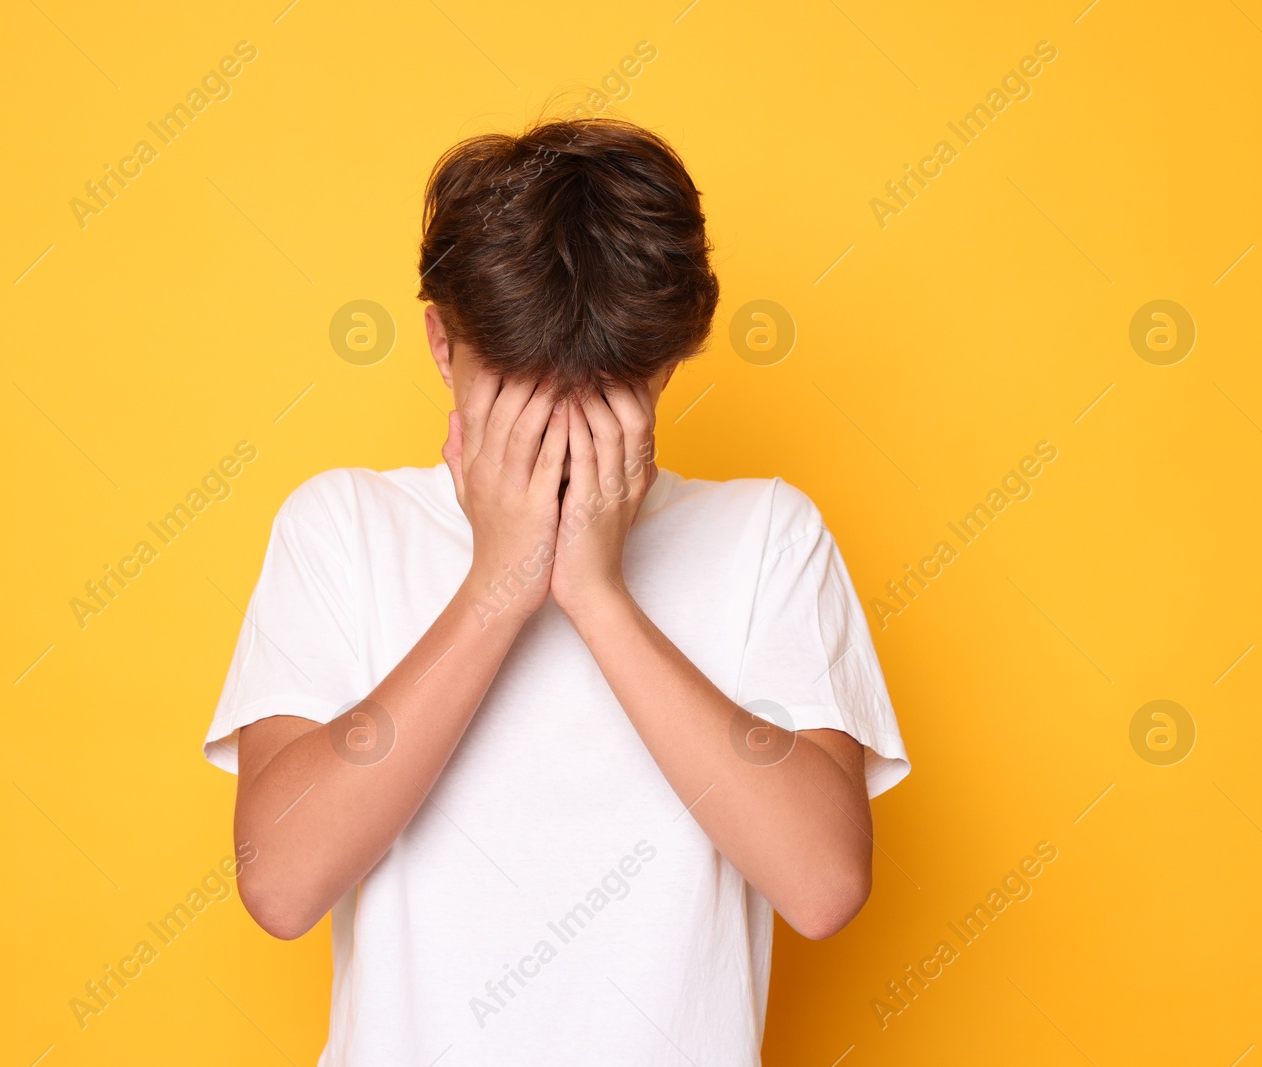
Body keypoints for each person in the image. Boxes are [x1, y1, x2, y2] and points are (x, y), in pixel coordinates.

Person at [202, 116, 910, 1066]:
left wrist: (598, 595)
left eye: (606, 394)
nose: (561, 440)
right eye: (523, 397)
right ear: (442, 345)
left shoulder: (768, 537)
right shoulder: (342, 529)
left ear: (666, 364)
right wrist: (497, 587)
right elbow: (281, 885)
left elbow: (823, 884)